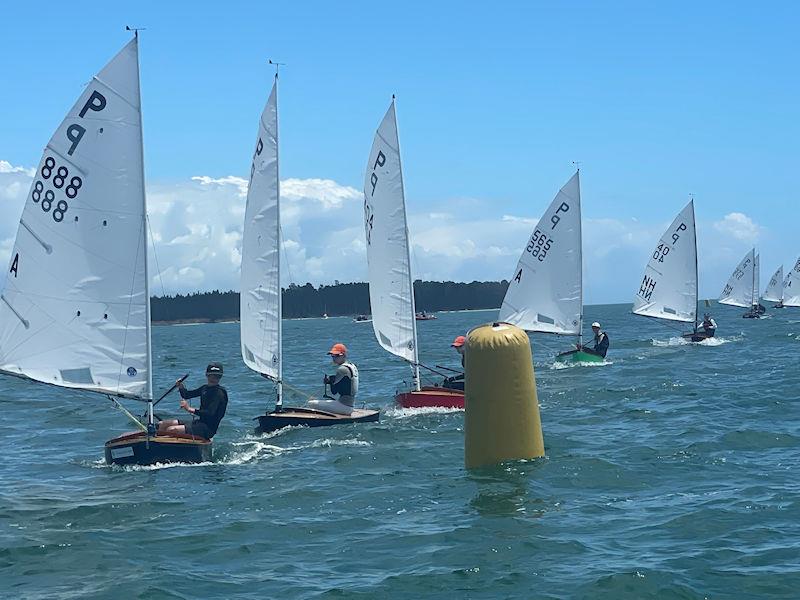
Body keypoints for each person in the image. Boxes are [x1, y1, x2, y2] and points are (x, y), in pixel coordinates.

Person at [157, 363, 229, 439]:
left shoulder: (219, 393)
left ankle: (165, 446)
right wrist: (181, 387)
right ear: (207, 375)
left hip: (208, 429)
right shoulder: (205, 388)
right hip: (199, 423)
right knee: (162, 424)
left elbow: (210, 413)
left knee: (171, 429)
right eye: (211, 375)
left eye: (217, 376)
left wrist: (189, 409)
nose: (213, 378)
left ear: (220, 377)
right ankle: (156, 445)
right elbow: (186, 395)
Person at [308, 343, 359, 416]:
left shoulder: (342, 369)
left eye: (337, 356)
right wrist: (331, 380)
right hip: (350, 405)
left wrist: (329, 381)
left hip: (344, 406)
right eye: (332, 356)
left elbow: (334, 391)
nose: (334, 358)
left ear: (344, 355)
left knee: (311, 403)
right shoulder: (352, 366)